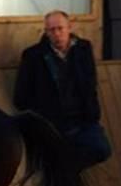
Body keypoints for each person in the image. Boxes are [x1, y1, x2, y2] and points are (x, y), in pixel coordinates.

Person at [14, 10, 112, 174]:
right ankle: (65, 171)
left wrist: (92, 113)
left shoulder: (83, 49)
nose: (57, 34)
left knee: (102, 149)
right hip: (51, 123)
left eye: (60, 28)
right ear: (46, 32)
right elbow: (20, 96)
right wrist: (42, 116)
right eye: (51, 30)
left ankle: (65, 168)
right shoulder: (33, 56)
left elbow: (90, 84)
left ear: (69, 28)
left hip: (83, 120)